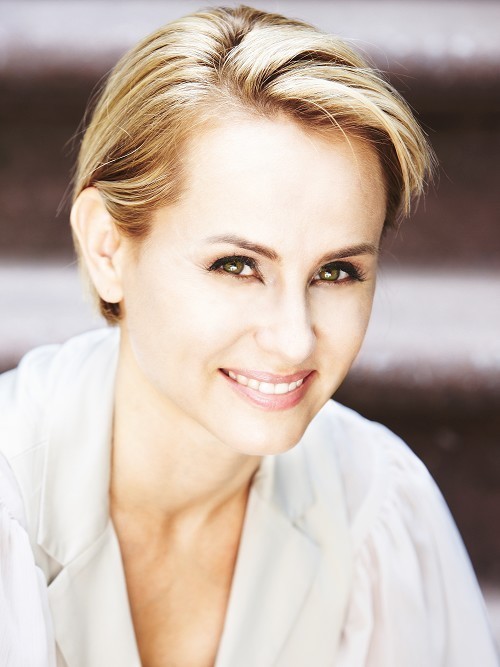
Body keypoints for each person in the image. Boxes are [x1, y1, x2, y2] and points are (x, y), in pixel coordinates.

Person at [0, 5, 497, 666]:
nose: (295, 340)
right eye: (236, 265)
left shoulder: (377, 506)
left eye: (336, 271)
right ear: (107, 247)